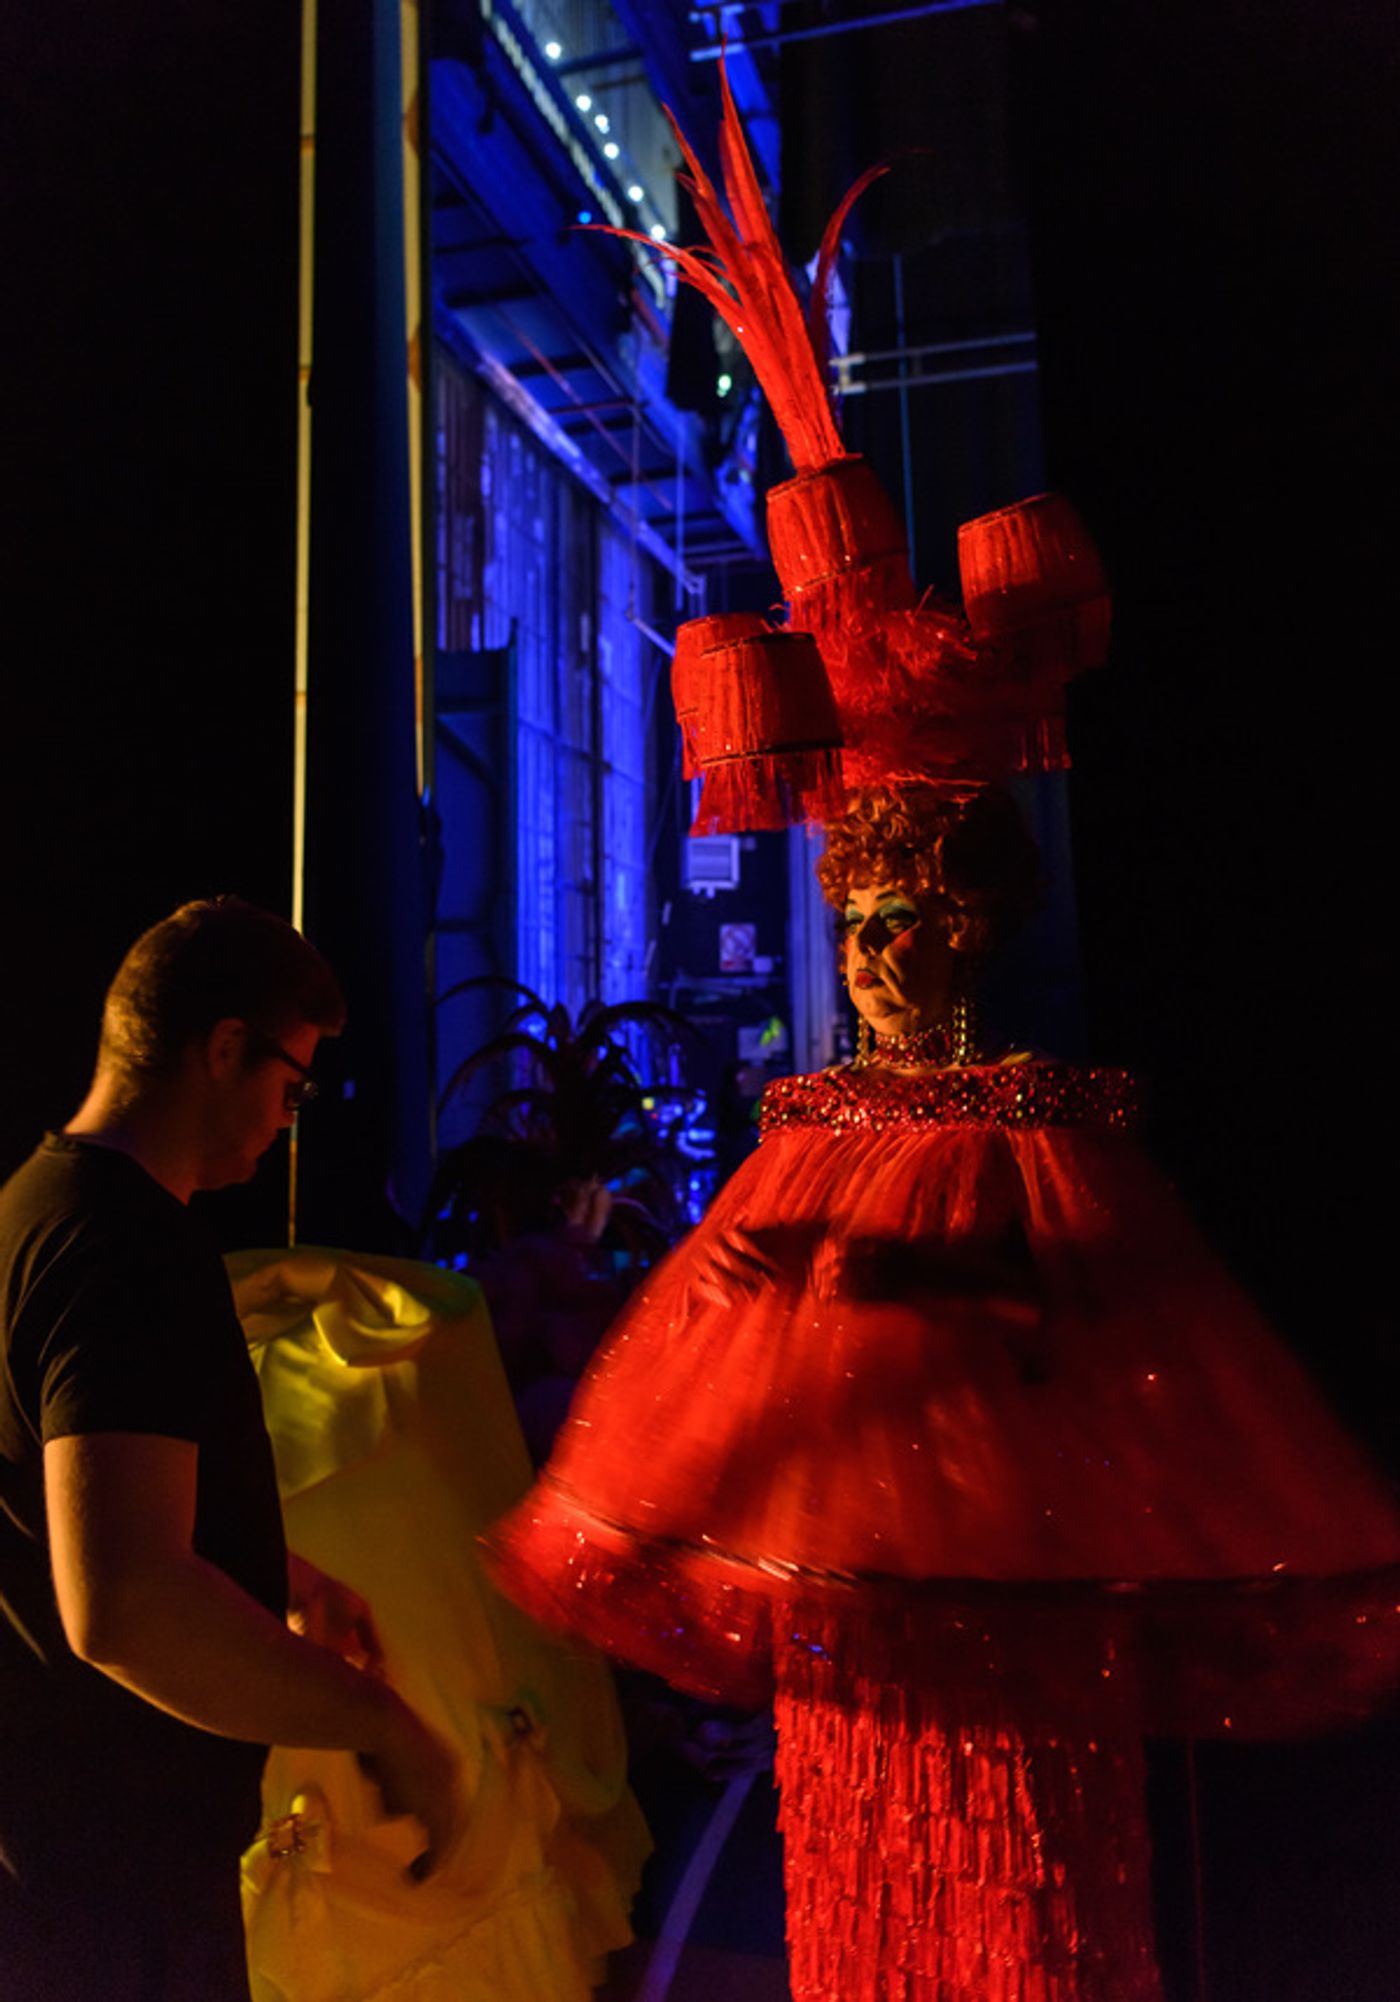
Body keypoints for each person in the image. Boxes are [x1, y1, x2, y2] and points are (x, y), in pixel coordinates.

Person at [490, 783, 1400, 2001]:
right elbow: (734, 1345)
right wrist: (741, 1285)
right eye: (851, 920)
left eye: (896, 916)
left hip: (1006, 1605)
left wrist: (892, 1280)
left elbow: (1100, 1337)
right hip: (853, 1613)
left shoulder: (1043, 1125)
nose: (863, 951)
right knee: (863, 1888)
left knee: (1022, 1892)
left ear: (966, 925)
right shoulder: (806, 1127)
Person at [0, 897, 464, 2001]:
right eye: (290, 1087)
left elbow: (52, 1505)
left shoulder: (34, 1204)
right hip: (109, 1876)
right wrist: (380, 1726)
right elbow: (122, 1603)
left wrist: (278, 1580)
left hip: (54, 1846)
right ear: (221, 1049)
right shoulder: (129, 1249)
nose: (287, 1120)